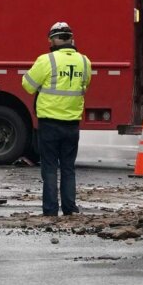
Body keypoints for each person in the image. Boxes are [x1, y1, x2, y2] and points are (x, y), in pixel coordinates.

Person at [21, 21, 91, 218]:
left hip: (49, 123)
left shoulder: (46, 60)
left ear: (53, 40)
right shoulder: (85, 61)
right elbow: (84, 86)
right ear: (71, 39)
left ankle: (50, 211)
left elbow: (27, 85)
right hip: (72, 123)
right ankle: (70, 209)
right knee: (68, 168)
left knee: (50, 168)